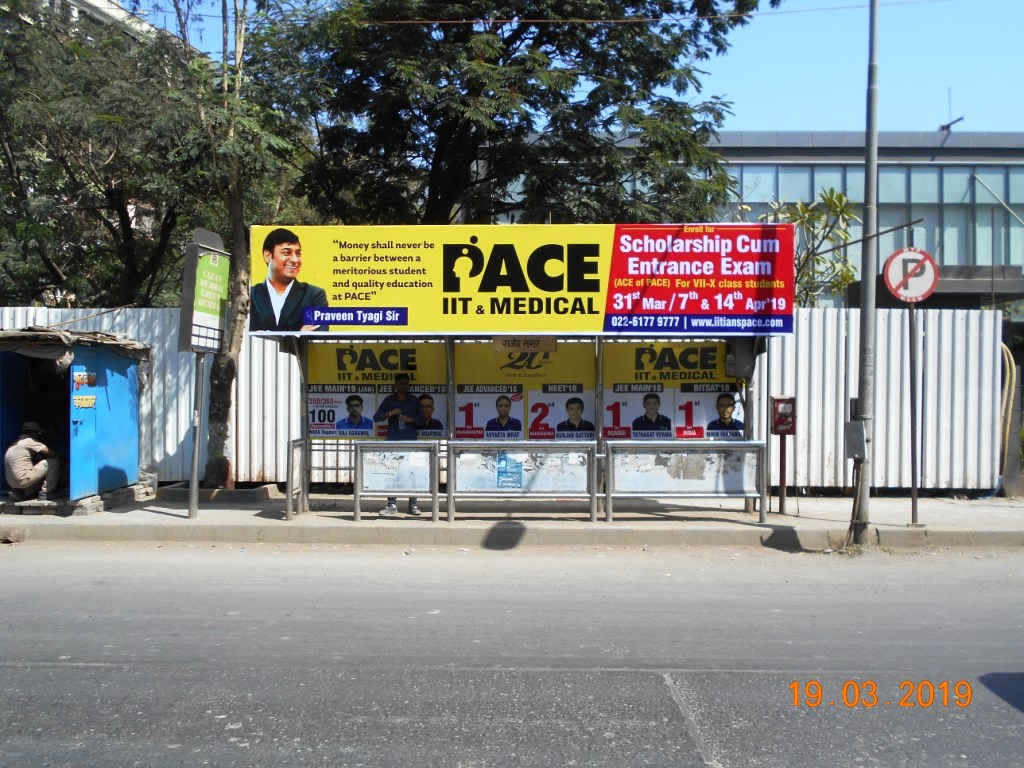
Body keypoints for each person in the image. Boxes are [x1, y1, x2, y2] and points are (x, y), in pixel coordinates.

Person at [249, 228, 328, 332]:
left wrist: (266, 336)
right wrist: (299, 335)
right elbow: (244, 337)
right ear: (268, 256)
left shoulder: (313, 295)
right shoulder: (251, 295)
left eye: (298, 254)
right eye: (287, 253)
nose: (295, 260)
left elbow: (316, 339)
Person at [372, 373, 421, 517]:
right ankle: (392, 505)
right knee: (392, 473)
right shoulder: (389, 400)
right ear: (396, 385)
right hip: (393, 441)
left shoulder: (414, 400)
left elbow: (422, 421)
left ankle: (413, 505)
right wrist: (390, 413)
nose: (404, 386)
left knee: (412, 474)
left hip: (411, 442)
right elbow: (376, 418)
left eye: (406, 383)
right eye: (401, 383)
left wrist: (410, 419)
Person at [4, 422, 61, 501]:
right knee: (53, 462)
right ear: (32, 433)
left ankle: (22, 493)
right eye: (38, 433)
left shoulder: (14, 443)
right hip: (23, 479)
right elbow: (52, 453)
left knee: (36, 474)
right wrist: (66, 461)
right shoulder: (29, 441)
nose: (38, 435)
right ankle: (46, 493)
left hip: (12, 483)